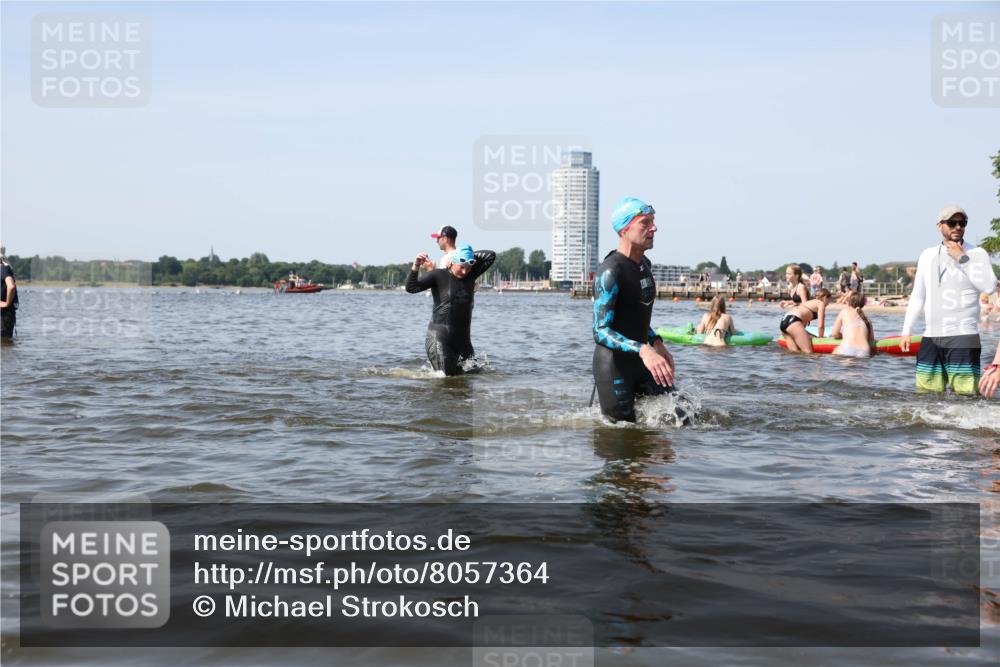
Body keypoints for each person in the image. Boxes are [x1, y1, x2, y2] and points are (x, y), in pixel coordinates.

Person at [592, 197, 677, 422]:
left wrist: (657, 342)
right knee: (622, 438)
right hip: (614, 368)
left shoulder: (644, 265)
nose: (654, 228)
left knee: (684, 415)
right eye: (645, 223)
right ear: (624, 229)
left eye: (653, 221)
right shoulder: (610, 272)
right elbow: (600, 330)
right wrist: (643, 349)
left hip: (644, 359)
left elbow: (633, 315)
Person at [900, 205, 997, 395]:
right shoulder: (927, 255)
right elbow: (918, 296)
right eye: (952, 223)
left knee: (966, 397)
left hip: (963, 336)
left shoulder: (977, 254)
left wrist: (962, 258)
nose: (958, 227)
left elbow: (989, 286)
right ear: (940, 226)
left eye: (962, 223)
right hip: (931, 337)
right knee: (926, 398)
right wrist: (906, 331)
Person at [406, 243, 496, 375]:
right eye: (461, 267)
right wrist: (416, 266)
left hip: (464, 343)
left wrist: (468, 255)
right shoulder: (438, 276)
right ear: (453, 262)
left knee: (472, 378)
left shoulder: (471, 274)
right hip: (440, 340)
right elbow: (411, 288)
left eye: (468, 267)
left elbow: (490, 256)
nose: (465, 271)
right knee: (447, 381)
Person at [779, 288, 831, 353]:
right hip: (793, 321)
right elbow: (821, 325)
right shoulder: (821, 303)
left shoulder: (808, 302)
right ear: (825, 297)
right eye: (829, 300)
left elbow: (802, 326)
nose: (828, 304)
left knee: (794, 353)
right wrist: (821, 338)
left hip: (784, 321)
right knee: (808, 353)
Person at [830, 291, 875, 358]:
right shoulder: (867, 319)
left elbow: (834, 334)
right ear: (863, 304)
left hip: (848, 348)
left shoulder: (844, 312)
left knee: (833, 354)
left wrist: (842, 335)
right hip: (864, 351)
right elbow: (871, 340)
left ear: (849, 301)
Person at [0, 246, 18, 340]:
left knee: (4, 345)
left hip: (4, 315)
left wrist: (7, 303)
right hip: (4, 315)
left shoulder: (3, 269)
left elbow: (11, 286)